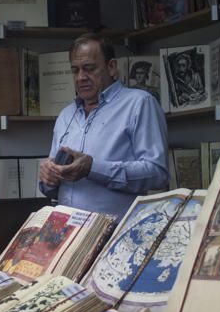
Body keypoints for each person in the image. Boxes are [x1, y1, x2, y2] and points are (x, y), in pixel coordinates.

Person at [39, 34, 168, 218]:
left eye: (89, 68)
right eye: (75, 70)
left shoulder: (139, 104)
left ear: (111, 67)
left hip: (114, 236)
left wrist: (93, 168)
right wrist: (48, 178)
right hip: (67, 233)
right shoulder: (65, 115)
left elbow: (157, 174)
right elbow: (51, 189)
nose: (80, 77)